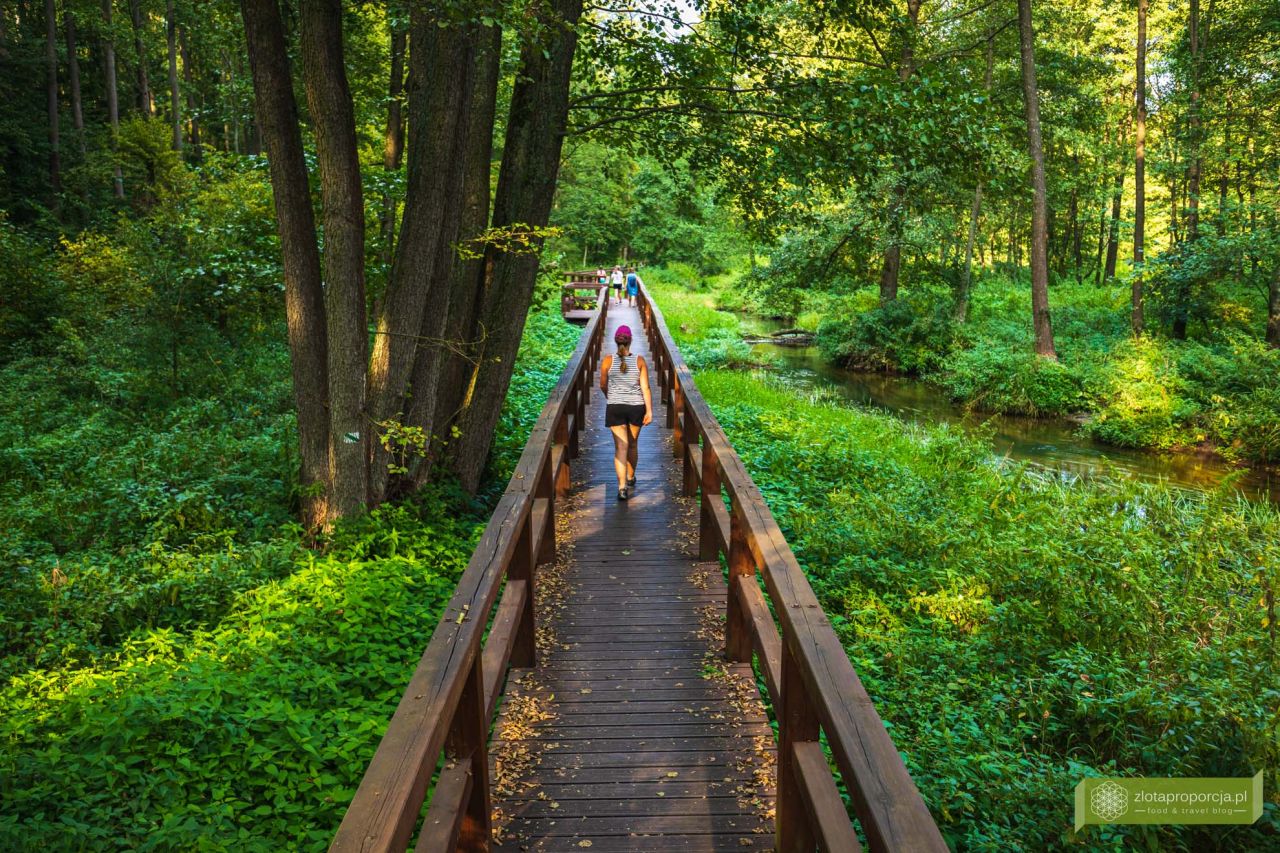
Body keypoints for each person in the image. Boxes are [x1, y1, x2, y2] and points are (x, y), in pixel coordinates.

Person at [599, 324, 652, 500]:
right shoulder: (639, 361)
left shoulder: (607, 361)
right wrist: (649, 411)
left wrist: (611, 397)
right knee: (633, 444)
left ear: (616, 341)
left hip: (615, 407)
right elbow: (645, 388)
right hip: (636, 407)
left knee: (621, 447)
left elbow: (603, 385)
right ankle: (630, 477)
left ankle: (622, 488)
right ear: (631, 341)